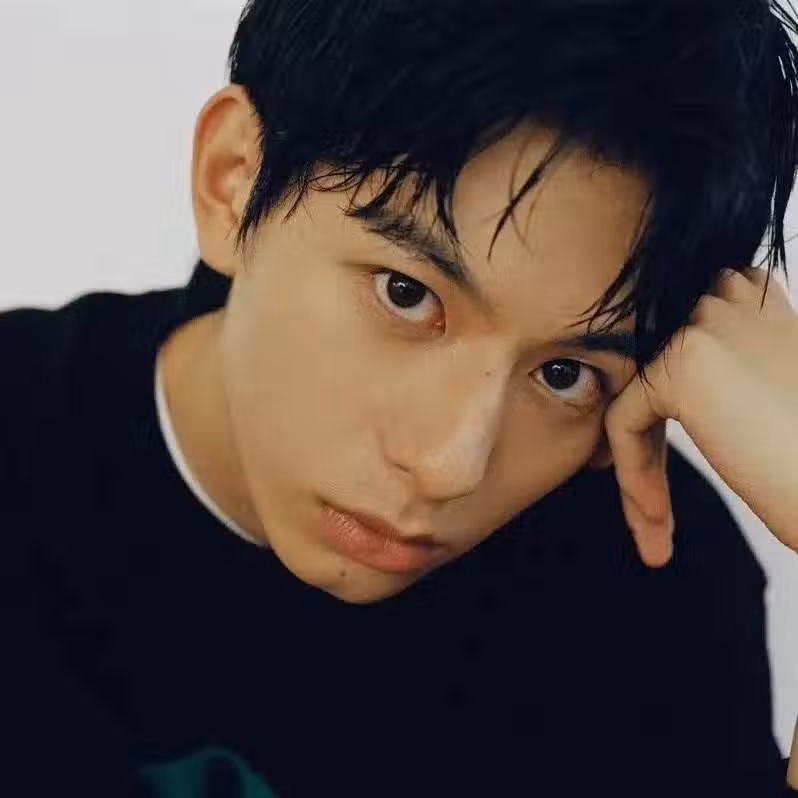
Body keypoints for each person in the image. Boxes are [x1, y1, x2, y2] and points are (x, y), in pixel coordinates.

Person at [2, 0, 798, 795]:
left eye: (565, 374)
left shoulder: (651, 594)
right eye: (406, 294)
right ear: (232, 179)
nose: (450, 465)